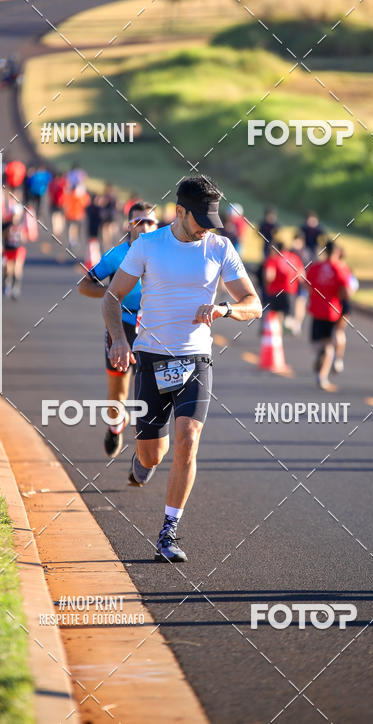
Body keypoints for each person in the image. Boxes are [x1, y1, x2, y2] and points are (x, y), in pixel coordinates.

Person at [102, 175, 262, 563]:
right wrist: (120, 340)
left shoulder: (220, 247)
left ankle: (168, 532)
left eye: (213, 220)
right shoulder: (148, 245)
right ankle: (142, 461)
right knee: (154, 455)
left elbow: (253, 303)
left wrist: (225, 309)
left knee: (188, 439)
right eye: (200, 220)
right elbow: (111, 297)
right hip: (152, 357)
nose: (207, 228)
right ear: (180, 212)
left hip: (196, 359)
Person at [78, 203, 159, 457]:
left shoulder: (165, 255)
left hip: (154, 329)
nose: (144, 227)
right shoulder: (117, 255)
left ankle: (148, 446)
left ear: (158, 227)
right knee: (118, 393)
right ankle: (115, 426)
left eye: (149, 222)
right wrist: (113, 295)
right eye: (138, 222)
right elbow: (84, 285)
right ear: (129, 225)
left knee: (153, 391)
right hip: (121, 326)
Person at [307, 240, 351, 391]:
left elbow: (307, 284)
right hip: (332, 310)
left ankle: (323, 365)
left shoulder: (315, 267)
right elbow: (346, 290)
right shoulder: (339, 268)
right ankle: (324, 372)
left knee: (319, 344)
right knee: (329, 344)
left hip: (317, 310)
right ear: (337, 252)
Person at [262, 241, 304, 330]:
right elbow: (301, 276)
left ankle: (276, 332)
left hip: (275, 292)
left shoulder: (273, 259)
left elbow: (269, 276)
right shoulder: (295, 258)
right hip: (290, 292)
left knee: (275, 315)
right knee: (288, 315)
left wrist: (266, 286)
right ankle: (291, 327)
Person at [332, 245, 358, 374]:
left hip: (335, 303)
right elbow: (353, 288)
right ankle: (337, 359)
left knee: (334, 332)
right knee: (339, 332)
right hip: (344, 304)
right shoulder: (347, 270)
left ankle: (333, 358)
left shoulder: (334, 269)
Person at [2, 203, 27, 299]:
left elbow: (25, 238)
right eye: (13, 215)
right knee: (8, 269)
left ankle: (16, 287)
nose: (15, 217)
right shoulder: (6, 225)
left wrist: (21, 233)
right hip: (8, 249)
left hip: (18, 249)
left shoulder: (22, 225)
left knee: (17, 268)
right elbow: (2, 236)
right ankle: (7, 283)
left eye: (16, 215)